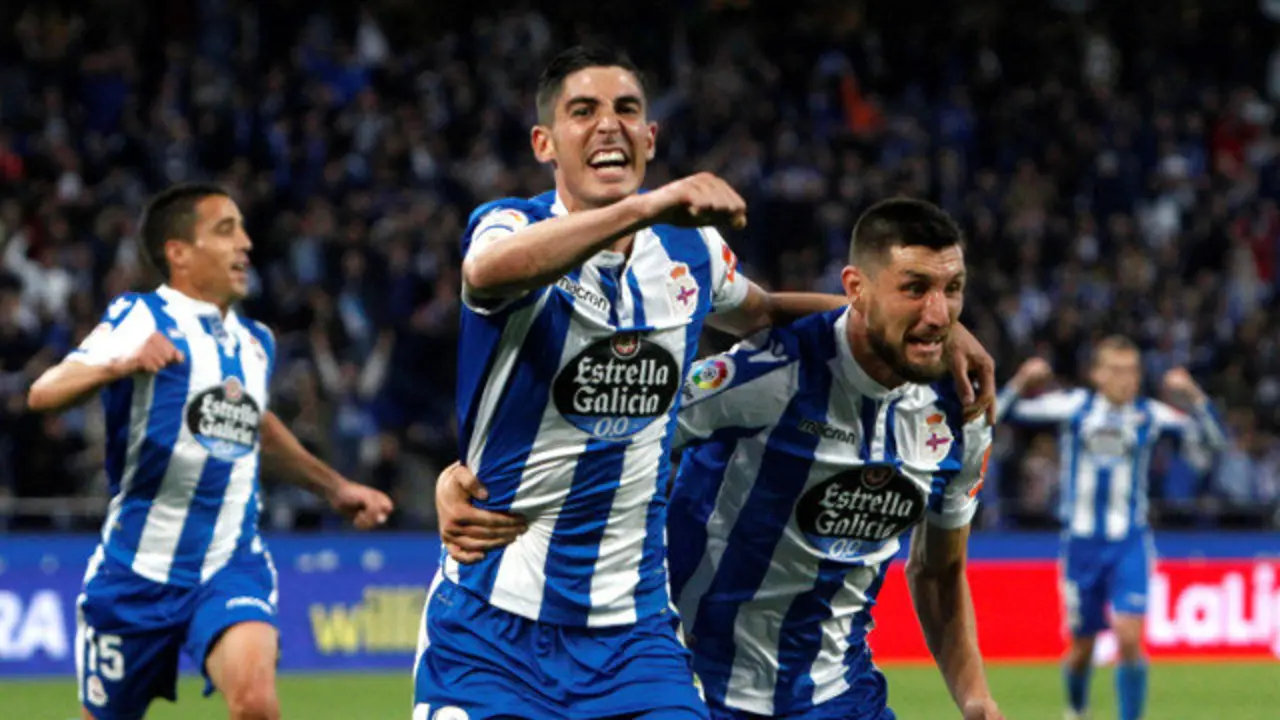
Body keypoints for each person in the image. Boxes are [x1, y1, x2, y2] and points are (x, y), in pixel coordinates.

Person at [413, 45, 997, 720]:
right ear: (545, 142)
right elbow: (488, 274)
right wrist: (646, 207)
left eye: (627, 109)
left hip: (636, 636)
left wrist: (939, 331)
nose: (610, 125)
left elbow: (771, 311)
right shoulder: (511, 224)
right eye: (584, 111)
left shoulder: (691, 252)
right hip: (494, 621)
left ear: (650, 136)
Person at [27, 183, 395, 720]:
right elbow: (43, 392)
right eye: (226, 230)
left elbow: (258, 428)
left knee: (255, 704)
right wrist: (120, 363)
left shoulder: (256, 342)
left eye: (243, 229)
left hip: (228, 562)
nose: (245, 243)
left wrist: (336, 487)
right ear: (178, 252)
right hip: (135, 571)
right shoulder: (140, 316)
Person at [995, 339, 1226, 720]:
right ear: (1096, 374)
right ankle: (1076, 708)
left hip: (1130, 543)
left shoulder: (1149, 415)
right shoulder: (1075, 408)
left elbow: (1216, 440)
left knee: (1129, 637)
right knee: (1082, 649)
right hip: (1081, 546)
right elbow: (995, 416)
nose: (1125, 379)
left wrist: (1193, 394)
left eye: (1132, 371)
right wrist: (1020, 382)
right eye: (1116, 371)